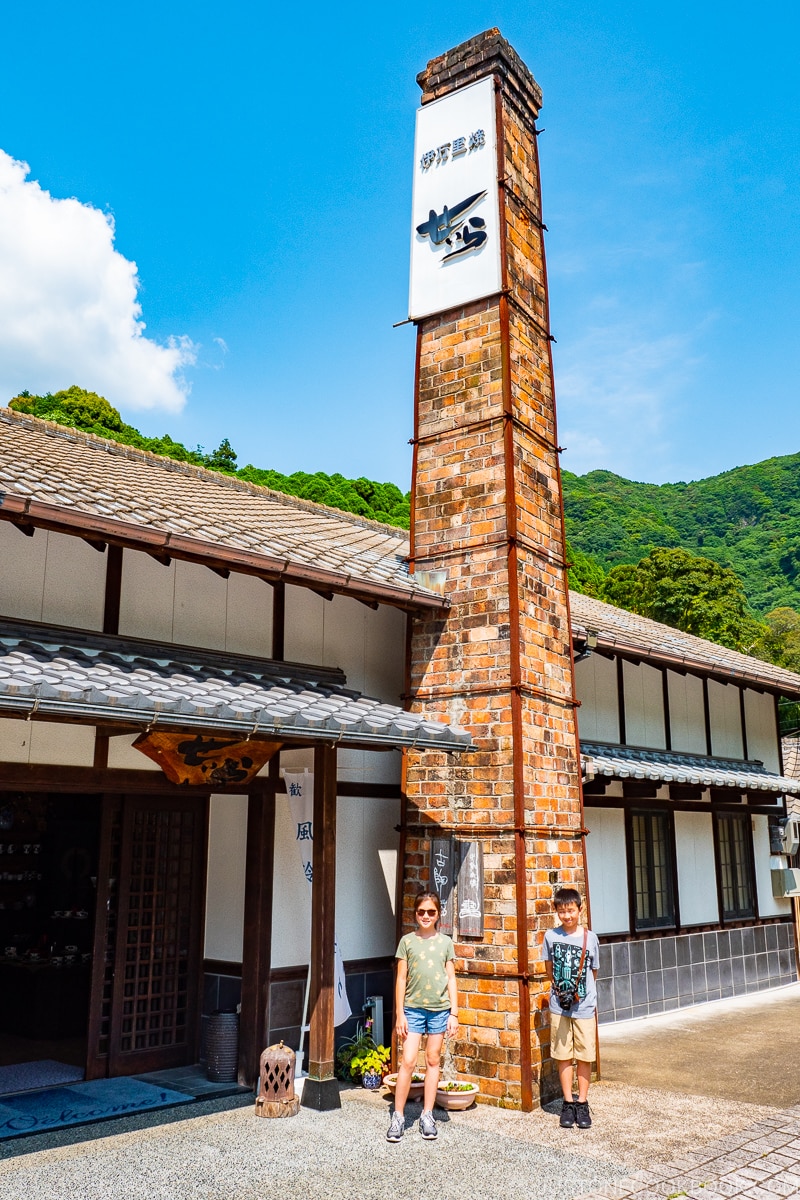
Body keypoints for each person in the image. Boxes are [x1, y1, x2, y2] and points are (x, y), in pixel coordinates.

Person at [386, 891, 459, 1142]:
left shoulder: (445, 943)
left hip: (439, 1009)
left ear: (438, 914)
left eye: (431, 912)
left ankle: (428, 1115)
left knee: (432, 1060)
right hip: (412, 1009)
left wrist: (454, 1013)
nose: (426, 916)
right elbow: (401, 979)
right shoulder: (407, 941)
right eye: (421, 912)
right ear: (415, 913)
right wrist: (399, 1014)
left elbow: (451, 978)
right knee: (407, 1061)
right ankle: (398, 1115)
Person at [542, 885, 600, 1130]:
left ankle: (582, 1102)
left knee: (585, 1055)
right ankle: (568, 1102)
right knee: (563, 1054)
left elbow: (593, 971)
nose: (567, 916)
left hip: (584, 1006)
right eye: (562, 911)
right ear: (556, 911)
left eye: (571, 910)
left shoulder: (591, 938)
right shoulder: (550, 936)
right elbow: (548, 969)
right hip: (559, 1006)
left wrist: (580, 993)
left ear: (580, 909)